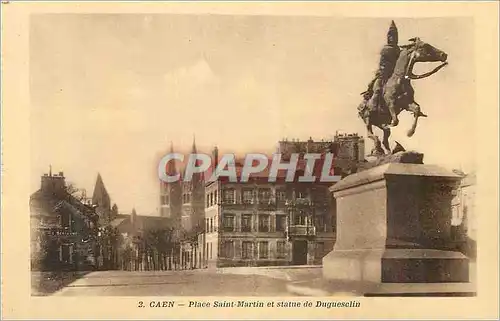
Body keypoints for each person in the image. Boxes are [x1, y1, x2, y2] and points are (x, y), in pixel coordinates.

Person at [364, 21, 401, 123]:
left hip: (394, 74)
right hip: (383, 74)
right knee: (377, 89)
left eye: (394, 36)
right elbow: (382, 63)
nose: (392, 38)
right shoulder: (385, 49)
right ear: (388, 37)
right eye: (391, 36)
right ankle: (372, 108)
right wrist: (384, 71)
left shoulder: (399, 50)